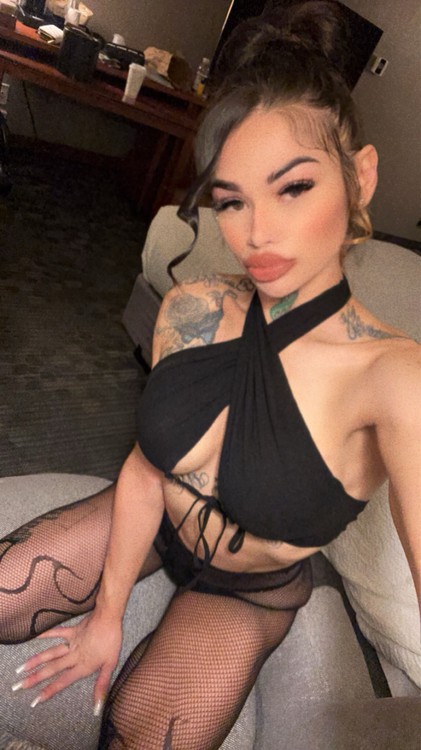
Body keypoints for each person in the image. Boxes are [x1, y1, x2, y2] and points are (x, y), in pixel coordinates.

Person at [1, 2, 420, 748]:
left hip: (248, 590)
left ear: (359, 178)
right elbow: (146, 468)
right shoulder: (191, 307)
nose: (256, 234)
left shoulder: (393, 378)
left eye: (293, 187)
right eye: (231, 200)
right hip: (154, 521)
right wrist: (105, 616)